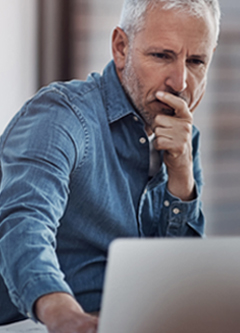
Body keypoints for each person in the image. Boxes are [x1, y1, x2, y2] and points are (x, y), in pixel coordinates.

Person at [0, 0, 220, 331]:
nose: (180, 82)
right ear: (121, 48)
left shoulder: (184, 138)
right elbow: (24, 223)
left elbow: (179, 287)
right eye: (162, 56)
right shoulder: (61, 115)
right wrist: (63, 314)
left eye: (196, 61)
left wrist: (181, 177)